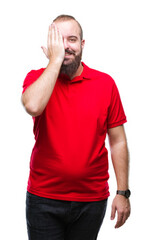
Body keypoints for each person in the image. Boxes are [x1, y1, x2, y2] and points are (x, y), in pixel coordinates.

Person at [21, 14, 131, 239]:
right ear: (50, 45)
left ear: (82, 44)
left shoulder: (105, 84)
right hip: (44, 198)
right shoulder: (35, 78)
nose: (65, 46)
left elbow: (118, 141)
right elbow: (33, 105)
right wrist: (54, 60)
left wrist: (123, 192)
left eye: (71, 39)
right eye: (58, 40)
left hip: (91, 200)